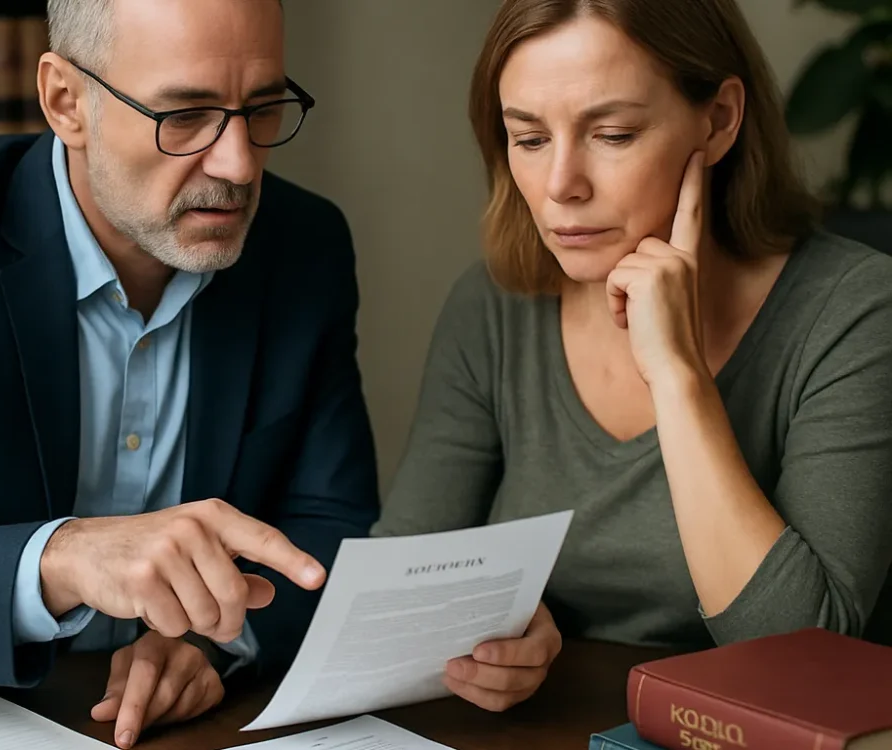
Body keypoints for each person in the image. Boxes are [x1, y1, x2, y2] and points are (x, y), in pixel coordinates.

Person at [372, 0, 892, 715]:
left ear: (719, 121)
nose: (561, 185)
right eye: (528, 138)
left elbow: (802, 650)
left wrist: (678, 377)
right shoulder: (495, 305)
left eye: (611, 134)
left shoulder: (854, 309)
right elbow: (392, 597)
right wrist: (496, 635)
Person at [0, 0, 379, 746]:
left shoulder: (304, 247)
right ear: (66, 102)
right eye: (184, 115)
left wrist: (216, 639)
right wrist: (60, 557)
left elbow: (329, 528)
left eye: (263, 107)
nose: (239, 164)